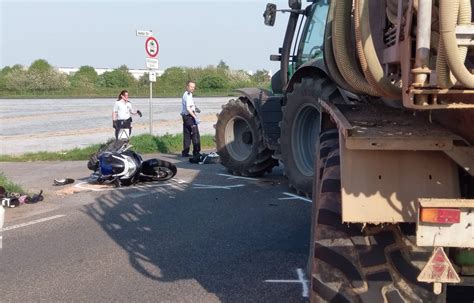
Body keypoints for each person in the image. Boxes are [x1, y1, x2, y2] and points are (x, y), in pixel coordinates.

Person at [181, 81, 201, 157]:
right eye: (191, 87)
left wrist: (196, 108)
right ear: (187, 87)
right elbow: (188, 108)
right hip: (189, 117)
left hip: (185, 117)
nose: (192, 88)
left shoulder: (188, 94)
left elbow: (190, 105)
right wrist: (195, 117)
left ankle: (185, 152)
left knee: (187, 135)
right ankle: (196, 152)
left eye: (193, 87)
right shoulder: (187, 95)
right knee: (195, 134)